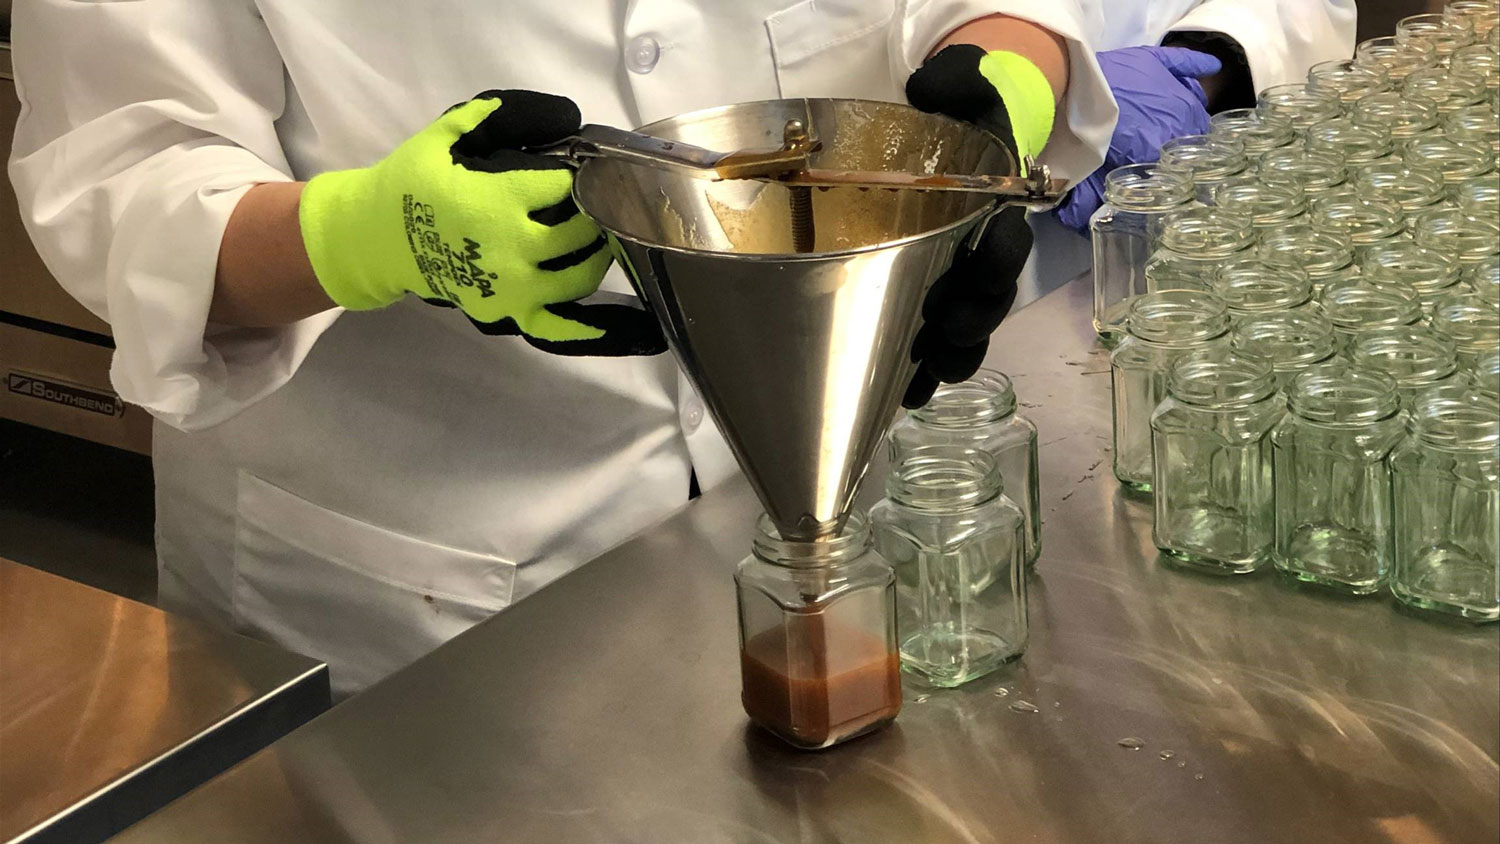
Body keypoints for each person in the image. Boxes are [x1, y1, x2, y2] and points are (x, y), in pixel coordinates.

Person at [10, 1, 1352, 695]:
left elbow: (988, 10)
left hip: (840, 467)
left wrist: (1002, 79)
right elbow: (123, 174)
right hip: (421, 598)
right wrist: (364, 233)